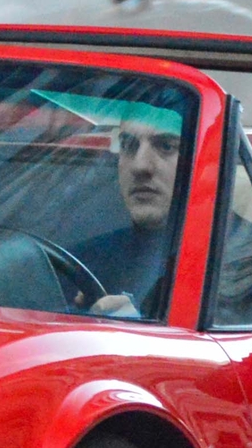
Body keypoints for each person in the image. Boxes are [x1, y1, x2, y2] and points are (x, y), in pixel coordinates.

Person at [76, 118, 184, 319]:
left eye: (166, 146)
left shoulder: (251, 259)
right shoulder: (86, 261)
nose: (140, 166)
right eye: (128, 145)